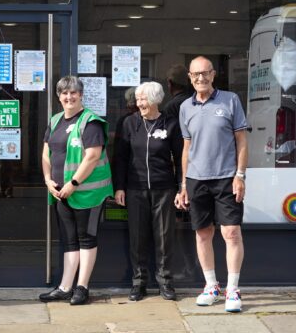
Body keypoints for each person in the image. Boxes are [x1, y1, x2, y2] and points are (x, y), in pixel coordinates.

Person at [175, 56, 248, 313]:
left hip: (226, 178)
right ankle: (211, 286)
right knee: (203, 233)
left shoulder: (230, 100)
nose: (200, 78)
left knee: (231, 233)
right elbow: (186, 147)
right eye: (195, 74)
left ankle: (233, 289)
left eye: (205, 73)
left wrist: (240, 175)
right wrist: (183, 184)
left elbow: (241, 141)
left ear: (214, 74)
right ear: (190, 77)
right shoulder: (185, 107)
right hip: (196, 180)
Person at [39, 76, 113, 306]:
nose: (68, 97)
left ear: (81, 95)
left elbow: (92, 157)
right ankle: (64, 287)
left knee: (86, 238)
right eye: (64, 93)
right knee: (69, 240)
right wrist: (48, 180)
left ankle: (82, 287)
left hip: (87, 193)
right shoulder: (55, 120)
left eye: (73, 93)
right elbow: (45, 153)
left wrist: (73, 184)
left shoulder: (90, 122)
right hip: (60, 193)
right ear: (58, 96)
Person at [113, 81, 183, 302]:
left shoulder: (170, 124)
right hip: (135, 188)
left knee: (164, 236)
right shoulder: (128, 123)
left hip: (164, 188)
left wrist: (181, 188)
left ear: (156, 100)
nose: (139, 103)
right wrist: (119, 187)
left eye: (144, 99)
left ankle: (165, 281)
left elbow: (182, 160)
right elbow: (121, 158)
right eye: (138, 99)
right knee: (137, 236)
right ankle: (138, 282)